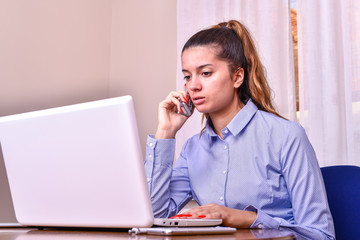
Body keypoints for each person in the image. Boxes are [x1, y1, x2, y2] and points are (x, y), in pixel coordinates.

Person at [144, 20, 335, 240]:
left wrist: (248, 219)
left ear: (237, 77)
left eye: (205, 73)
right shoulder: (192, 149)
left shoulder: (286, 136)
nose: (193, 85)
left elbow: (321, 235)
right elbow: (152, 217)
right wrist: (166, 132)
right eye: (187, 76)